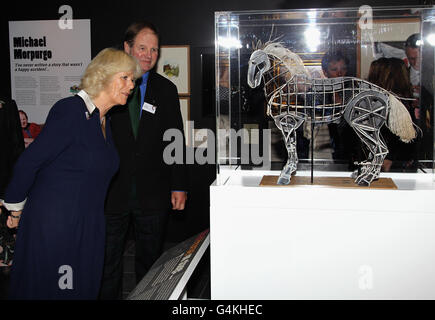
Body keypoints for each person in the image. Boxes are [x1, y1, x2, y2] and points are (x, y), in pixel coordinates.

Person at [1, 47, 141, 299]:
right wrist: (14, 208)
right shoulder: (70, 110)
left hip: (88, 224)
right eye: (126, 77)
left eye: (133, 80)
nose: (131, 85)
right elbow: (30, 161)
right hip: (57, 226)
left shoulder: (104, 121)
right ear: (103, 75)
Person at [100, 21, 188, 299]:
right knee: (107, 262)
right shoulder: (108, 86)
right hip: (111, 191)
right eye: (142, 48)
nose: (149, 55)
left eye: (154, 50)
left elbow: (176, 140)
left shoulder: (166, 90)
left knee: (150, 263)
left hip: (153, 193)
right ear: (127, 48)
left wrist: (179, 185)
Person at [367, 57, 417, 172]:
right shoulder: (399, 101)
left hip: (392, 164)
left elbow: (395, 135)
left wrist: (389, 158)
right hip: (397, 161)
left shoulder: (392, 104)